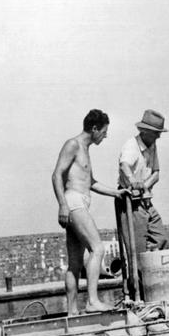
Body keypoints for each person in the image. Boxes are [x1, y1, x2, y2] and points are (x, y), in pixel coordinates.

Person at [52, 109, 127, 315]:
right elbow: (57, 174)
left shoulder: (85, 149)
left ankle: (72, 311)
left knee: (75, 262)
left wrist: (116, 193)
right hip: (73, 201)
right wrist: (62, 205)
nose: (105, 135)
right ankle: (92, 300)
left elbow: (90, 182)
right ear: (94, 128)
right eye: (104, 131)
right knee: (98, 248)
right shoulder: (73, 145)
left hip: (79, 202)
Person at [118, 109, 169, 254]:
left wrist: (143, 187)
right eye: (156, 132)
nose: (159, 136)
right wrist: (133, 181)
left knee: (161, 238)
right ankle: (140, 276)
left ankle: (155, 272)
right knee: (137, 249)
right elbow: (124, 165)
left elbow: (156, 174)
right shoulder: (131, 145)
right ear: (144, 131)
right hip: (130, 202)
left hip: (145, 199)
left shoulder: (152, 145)